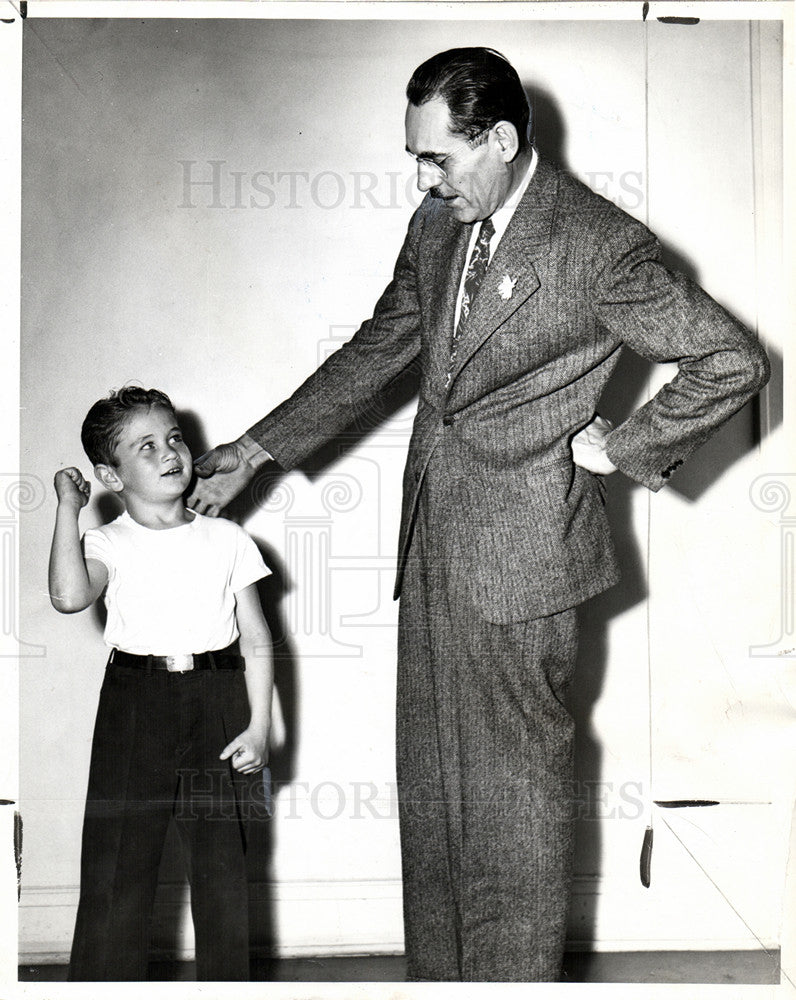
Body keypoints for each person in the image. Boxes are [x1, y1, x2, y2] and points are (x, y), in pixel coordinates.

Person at [188, 48, 770, 982]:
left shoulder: (594, 245)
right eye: (415, 157)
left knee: (514, 812)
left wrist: (623, 448)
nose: (423, 179)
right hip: (433, 548)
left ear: (499, 141)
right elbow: (383, 348)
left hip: (526, 562)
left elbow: (731, 360)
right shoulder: (438, 225)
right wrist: (257, 450)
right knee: (436, 803)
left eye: (438, 159)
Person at [48, 386, 273, 981]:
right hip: (136, 701)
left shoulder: (226, 537)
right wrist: (67, 511)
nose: (169, 452)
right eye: (144, 447)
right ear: (110, 474)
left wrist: (259, 725)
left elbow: (255, 640)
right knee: (118, 863)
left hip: (218, 701)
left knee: (223, 869)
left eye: (174, 437)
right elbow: (70, 597)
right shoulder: (106, 541)